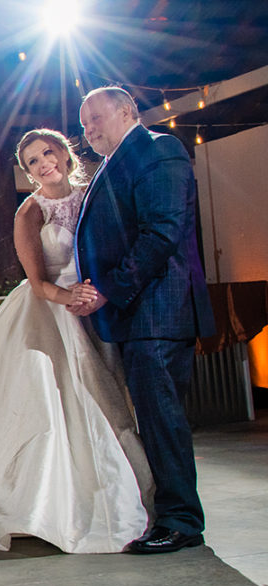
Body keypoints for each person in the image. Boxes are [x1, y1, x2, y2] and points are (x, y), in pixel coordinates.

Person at [0, 128, 154, 553]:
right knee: (58, 403)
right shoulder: (29, 212)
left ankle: (131, 494)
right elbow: (37, 281)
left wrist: (100, 292)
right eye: (32, 162)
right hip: (52, 310)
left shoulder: (94, 193)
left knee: (109, 402)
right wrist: (73, 297)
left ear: (63, 154)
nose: (43, 163)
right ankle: (44, 506)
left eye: (47, 153)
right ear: (27, 173)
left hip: (101, 305)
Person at [70, 87, 215, 554]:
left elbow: (161, 232)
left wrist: (108, 289)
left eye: (96, 117)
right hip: (137, 315)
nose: (88, 128)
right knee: (154, 418)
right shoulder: (109, 166)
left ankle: (181, 521)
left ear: (128, 110)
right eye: (84, 123)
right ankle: (169, 513)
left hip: (159, 310)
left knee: (162, 418)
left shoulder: (158, 149)